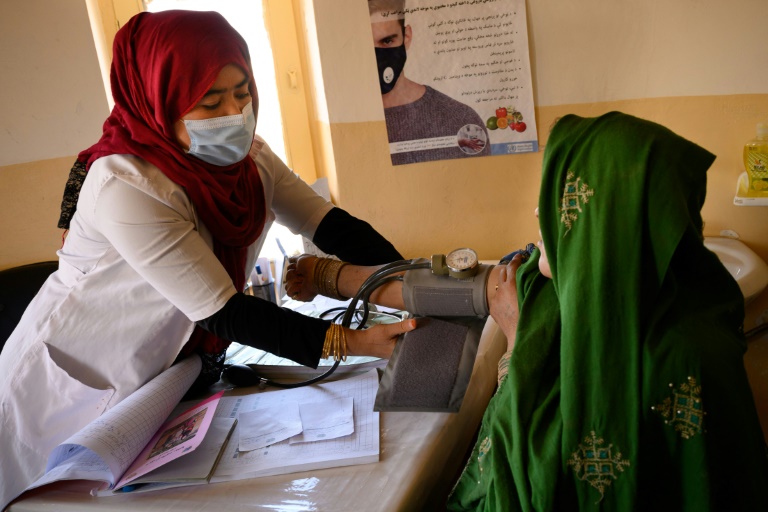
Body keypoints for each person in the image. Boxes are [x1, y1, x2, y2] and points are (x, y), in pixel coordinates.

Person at [0, 10, 415, 510]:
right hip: (67, 383)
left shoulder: (251, 162)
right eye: (211, 102)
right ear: (160, 101)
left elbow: (329, 224)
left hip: (161, 376)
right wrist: (356, 343)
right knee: (42, 497)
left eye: (242, 93)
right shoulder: (125, 185)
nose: (235, 114)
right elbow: (224, 310)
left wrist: (412, 282)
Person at [287, 112, 768, 510]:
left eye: (561, 200)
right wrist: (327, 275)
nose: (539, 217)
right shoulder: (561, 280)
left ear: (607, 218)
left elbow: (543, 491)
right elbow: (442, 289)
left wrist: (516, 346)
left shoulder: (689, 358)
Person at [369, 0, 490, 165]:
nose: (377, 56)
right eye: (366, 44)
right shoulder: (347, 122)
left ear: (407, 37)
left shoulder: (460, 120)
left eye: (387, 41)